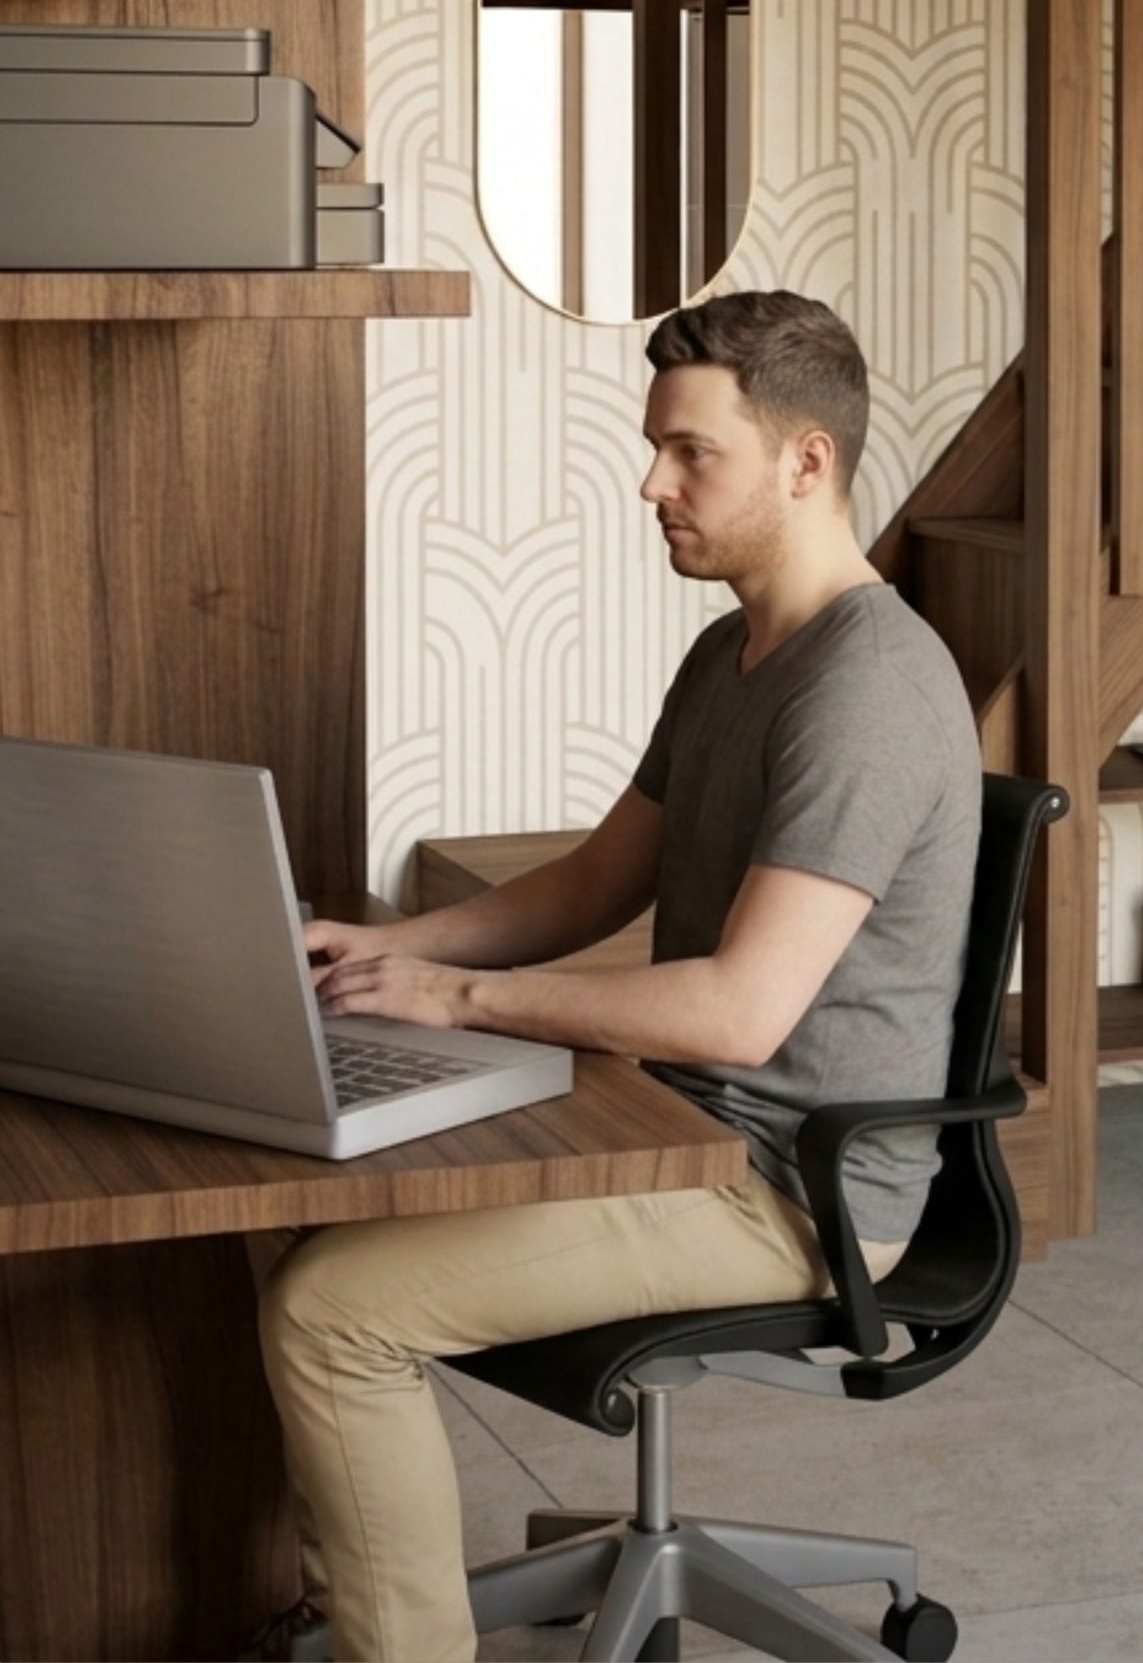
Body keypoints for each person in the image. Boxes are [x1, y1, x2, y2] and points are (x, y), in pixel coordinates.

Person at [245, 291, 981, 1662]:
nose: (651, 482)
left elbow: (738, 1011)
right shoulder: (733, 652)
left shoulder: (867, 688)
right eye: (656, 447)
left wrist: (458, 1002)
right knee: (290, 1201)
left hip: (786, 1188)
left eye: (691, 452)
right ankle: (345, 1601)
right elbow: (598, 882)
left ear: (806, 461)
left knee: (331, 1311)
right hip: (676, 1122)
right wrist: (398, 949)